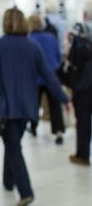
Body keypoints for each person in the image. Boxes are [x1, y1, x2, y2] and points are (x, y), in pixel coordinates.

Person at [0, 8, 69, 206]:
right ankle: (7, 181)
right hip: (28, 104)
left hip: (5, 104)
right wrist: (64, 98)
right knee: (12, 141)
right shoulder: (33, 46)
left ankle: (25, 191)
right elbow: (48, 76)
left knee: (13, 146)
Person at [27, 15, 65, 145]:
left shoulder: (30, 40)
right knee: (55, 105)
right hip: (52, 76)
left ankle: (33, 127)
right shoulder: (51, 37)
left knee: (34, 104)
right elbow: (58, 56)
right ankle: (58, 131)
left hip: (36, 78)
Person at [68, 16, 92, 166]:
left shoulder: (80, 33)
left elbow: (73, 59)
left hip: (84, 86)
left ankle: (82, 155)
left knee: (83, 122)